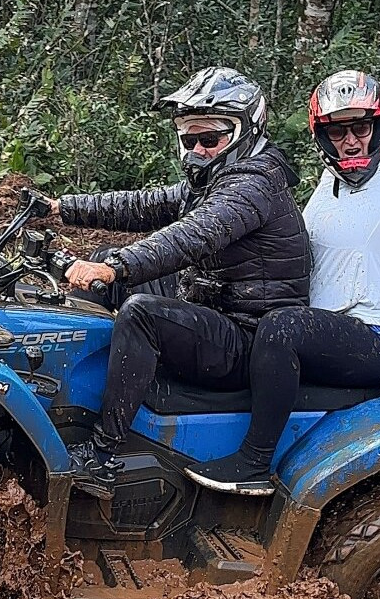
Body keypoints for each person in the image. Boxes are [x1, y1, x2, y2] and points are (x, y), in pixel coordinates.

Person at [185, 59, 380, 495]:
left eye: (360, 128)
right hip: (328, 328)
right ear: (323, 136)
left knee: (280, 326)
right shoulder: (328, 184)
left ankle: (253, 463)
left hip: (375, 335)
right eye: (337, 131)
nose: (349, 141)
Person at [50, 66, 312, 499]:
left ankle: (102, 455)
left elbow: (192, 236)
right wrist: (62, 207)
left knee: (141, 313)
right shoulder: (216, 178)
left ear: (247, 131)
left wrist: (119, 265)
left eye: (210, 139)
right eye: (189, 140)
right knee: (102, 270)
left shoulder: (253, 184)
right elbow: (146, 205)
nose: (198, 150)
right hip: (216, 306)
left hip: (247, 336)